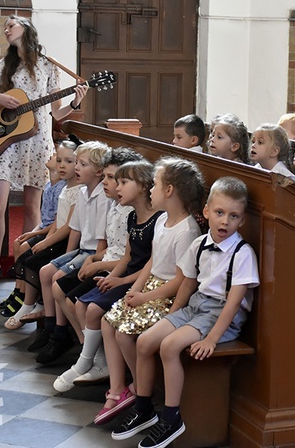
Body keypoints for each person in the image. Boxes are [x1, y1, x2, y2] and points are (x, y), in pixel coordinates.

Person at [111, 177, 259, 447]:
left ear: (243, 220)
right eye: (219, 213)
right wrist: (173, 317)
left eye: (233, 216)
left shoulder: (242, 253)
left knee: (169, 346)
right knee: (145, 341)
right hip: (194, 306)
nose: (225, 221)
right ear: (206, 212)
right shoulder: (199, 243)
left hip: (220, 316)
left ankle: (171, 418)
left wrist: (212, 338)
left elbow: (233, 304)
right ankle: (144, 409)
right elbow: (188, 283)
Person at [0, 15, 89, 293]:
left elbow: (56, 112)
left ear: (28, 30)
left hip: (37, 139)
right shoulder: (3, 65)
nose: (6, 29)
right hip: (4, 141)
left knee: (33, 207)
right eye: (5, 26)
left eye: (11, 25)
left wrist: (76, 100)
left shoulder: (47, 65)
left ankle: (23, 265)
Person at [87, 158, 204, 425]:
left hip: (166, 296)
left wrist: (144, 297)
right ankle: (129, 386)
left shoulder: (187, 230)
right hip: (149, 286)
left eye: (156, 184)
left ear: (169, 191)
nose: (152, 189)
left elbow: (180, 281)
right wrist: (135, 289)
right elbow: (152, 259)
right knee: (109, 321)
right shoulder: (163, 220)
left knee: (125, 333)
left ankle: (142, 391)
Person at [57, 161, 160, 379]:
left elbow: (151, 264)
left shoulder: (157, 220)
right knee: (84, 302)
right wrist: (111, 278)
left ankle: (91, 364)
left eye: (123, 182)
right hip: (124, 275)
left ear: (143, 186)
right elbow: (128, 256)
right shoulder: (132, 216)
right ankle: (95, 361)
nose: (117, 187)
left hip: (140, 280)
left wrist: (120, 281)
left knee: (94, 310)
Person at [35, 141, 113, 364]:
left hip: (94, 253)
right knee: (48, 270)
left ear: (98, 171)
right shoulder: (81, 192)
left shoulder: (103, 198)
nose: (76, 167)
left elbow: (101, 242)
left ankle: (77, 343)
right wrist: (63, 260)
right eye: (76, 162)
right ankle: (57, 330)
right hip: (81, 250)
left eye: (82, 164)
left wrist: (81, 266)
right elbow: (75, 230)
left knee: (59, 281)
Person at [5, 139, 81, 334]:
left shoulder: (78, 192)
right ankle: (28, 303)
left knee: (34, 261)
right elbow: (56, 220)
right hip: (56, 236)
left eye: (69, 161)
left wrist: (46, 241)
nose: (62, 165)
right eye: (60, 160)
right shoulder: (64, 188)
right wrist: (41, 236)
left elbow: (68, 227)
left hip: (65, 240)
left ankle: (36, 306)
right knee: (28, 258)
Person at [0, 147, 66, 318]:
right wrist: (32, 232)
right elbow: (44, 217)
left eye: (57, 157)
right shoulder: (49, 184)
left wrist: (41, 236)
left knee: (25, 248)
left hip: (52, 232)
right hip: (44, 228)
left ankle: (23, 295)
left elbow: (56, 223)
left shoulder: (62, 189)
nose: (52, 155)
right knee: (18, 243)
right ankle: (17, 290)